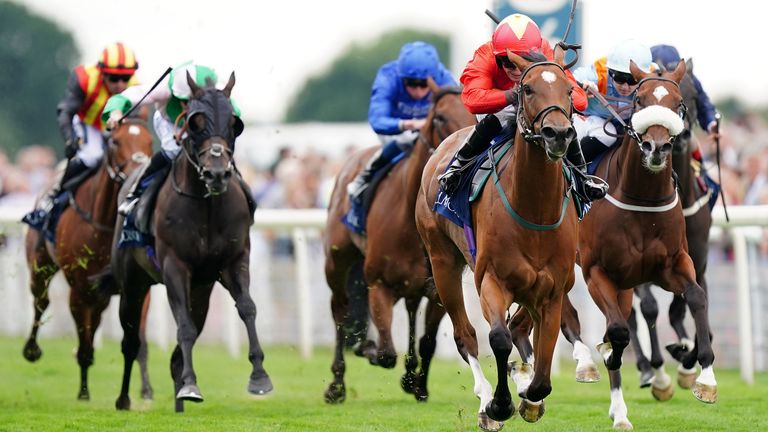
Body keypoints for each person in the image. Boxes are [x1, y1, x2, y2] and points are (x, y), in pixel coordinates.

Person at [437, 13, 606, 202]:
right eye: (508, 63)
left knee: (561, 115)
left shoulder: (545, 51)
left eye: (526, 61)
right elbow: (472, 100)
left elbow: (579, 100)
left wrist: (553, 94)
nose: (517, 70)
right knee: (504, 113)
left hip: (536, 108)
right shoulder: (485, 55)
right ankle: (458, 166)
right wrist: (514, 95)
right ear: (497, 56)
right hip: (496, 108)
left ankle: (583, 178)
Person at [102, 61, 244, 216]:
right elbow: (125, 97)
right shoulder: (164, 88)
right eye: (184, 102)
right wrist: (115, 112)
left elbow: (233, 111)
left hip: (203, 125)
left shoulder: (218, 88)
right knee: (174, 150)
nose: (189, 108)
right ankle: (136, 193)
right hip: (170, 121)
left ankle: (245, 196)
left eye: (193, 101)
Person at [346, 41, 458, 204]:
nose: (419, 91)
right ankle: (363, 181)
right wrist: (409, 124)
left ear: (434, 78)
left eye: (424, 84)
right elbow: (377, 120)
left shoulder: (444, 78)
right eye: (412, 84)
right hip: (395, 132)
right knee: (404, 140)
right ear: (402, 78)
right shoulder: (388, 76)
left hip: (429, 130)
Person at [49, 42, 140, 205]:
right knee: (92, 156)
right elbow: (65, 111)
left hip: (114, 128)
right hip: (87, 123)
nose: (120, 84)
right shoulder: (85, 78)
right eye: (113, 78)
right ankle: (56, 197)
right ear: (102, 73)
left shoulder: (135, 86)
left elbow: (134, 121)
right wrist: (70, 139)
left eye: (125, 78)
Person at [571, 39, 654, 163]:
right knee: (607, 134)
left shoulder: (652, 78)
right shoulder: (596, 74)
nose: (625, 87)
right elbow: (565, 82)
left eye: (632, 80)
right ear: (610, 71)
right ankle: (574, 169)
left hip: (625, 125)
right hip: (589, 119)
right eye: (620, 78)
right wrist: (580, 90)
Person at [651, 44, 719, 163]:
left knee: (696, 152)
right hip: (651, 135)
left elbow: (704, 104)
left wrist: (711, 123)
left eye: (676, 71)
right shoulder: (645, 81)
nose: (675, 77)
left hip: (683, 131)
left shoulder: (690, 79)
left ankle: (703, 177)